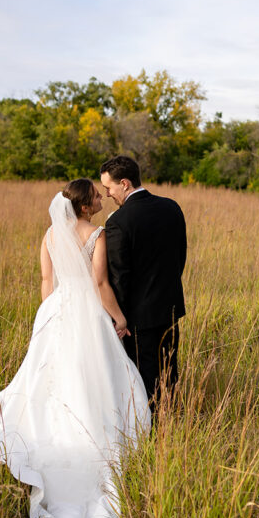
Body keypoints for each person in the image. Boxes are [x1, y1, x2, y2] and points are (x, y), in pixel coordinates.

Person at [0, 179, 150, 518]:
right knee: (99, 378)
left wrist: (50, 316)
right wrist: (120, 318)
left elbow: (46, 282)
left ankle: (58, 437)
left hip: (56, 311)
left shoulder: (50, 234)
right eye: (96, 194)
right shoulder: (97, 233)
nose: (99, 198)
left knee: (52, 384)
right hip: (88, 312)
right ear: (88, 206)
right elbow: (100, 284)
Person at [99, 155, 187, 410]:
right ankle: (170, 425)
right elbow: (179, 258)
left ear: (124, 183)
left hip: (137, 319)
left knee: (142, 381)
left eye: (109, 187)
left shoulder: (118, 221)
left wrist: (118, 317)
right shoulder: (172, 207)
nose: (107, 194)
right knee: (169, 375)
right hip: (170, 308)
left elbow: (119, 276)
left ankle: (148, 433)